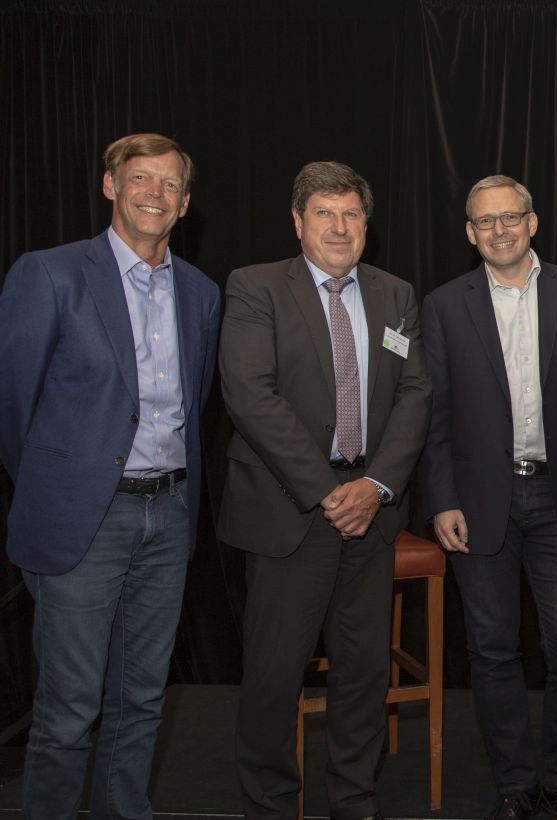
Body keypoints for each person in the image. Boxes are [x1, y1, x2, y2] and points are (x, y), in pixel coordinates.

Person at [0, 133, 219, 819]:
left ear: (185, 203)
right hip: (82, 524)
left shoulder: (201, 293)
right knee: (68, 709)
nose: (154, 193)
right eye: (140, 178)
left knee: (141, 701)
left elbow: (197, 400)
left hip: (170, 512)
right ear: (110, 186)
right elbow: (12, 406)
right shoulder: (51, 274)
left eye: (169, 184)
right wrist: (60, 489)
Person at [217, 161, 431, 820]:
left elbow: (417, 392)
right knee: (275, 676)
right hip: (291, 510)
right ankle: (271, 806)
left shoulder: (395, 293)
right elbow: (249, 393)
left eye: (351, 215)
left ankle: (354, 802)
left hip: (372, 509)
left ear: (367, 224)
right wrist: (326, 489)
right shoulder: (255, 288)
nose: (339, 227)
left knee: (364, 673)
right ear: (297, 222)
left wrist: (374, 485)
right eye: (324, 214)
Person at [419, 175, 557, 820]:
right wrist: (441, 497)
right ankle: (514, 783)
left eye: (511, 217)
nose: (499, 230)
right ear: (469, 233)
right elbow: (436, 412)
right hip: (479, 503)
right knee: (492, 649)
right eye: (486, 221)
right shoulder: (444, 305)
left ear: (533, 222)